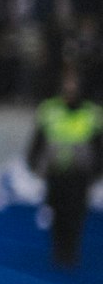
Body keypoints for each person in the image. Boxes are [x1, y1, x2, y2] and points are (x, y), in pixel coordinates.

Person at [28, 65, 102, 270]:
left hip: (80, 173)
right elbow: (38, 139)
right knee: (57, 211)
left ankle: (70, 252)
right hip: (56, 171)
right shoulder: (49, 109)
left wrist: (97, 170)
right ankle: (58, 250)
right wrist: (33, 161)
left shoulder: (91, 113)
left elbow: (98, 144)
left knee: (76, 214)